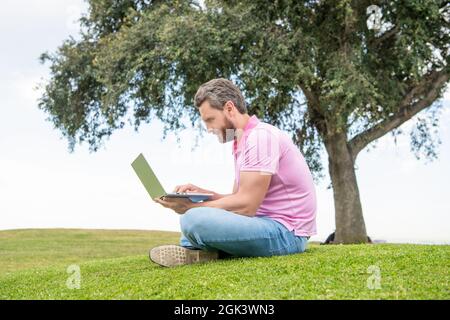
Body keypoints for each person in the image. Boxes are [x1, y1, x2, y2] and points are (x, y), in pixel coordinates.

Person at [151, 78, 317, 267]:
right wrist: (202, 195)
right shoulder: (243, 141)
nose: (208, 129)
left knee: (193, 219)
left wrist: (191, 208)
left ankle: (203, 248)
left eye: (210, 120)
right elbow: (239, 198)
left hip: (287, 234)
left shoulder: (260, 138)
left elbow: (246, 206)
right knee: (194, 221)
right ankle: (202, 251)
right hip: (266, 225)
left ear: (229, 109)